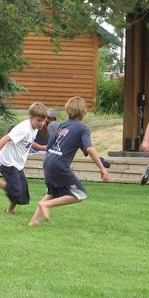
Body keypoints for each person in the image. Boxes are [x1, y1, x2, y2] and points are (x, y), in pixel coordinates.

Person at [28, 96, 109, 226]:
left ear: (67, 110)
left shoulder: (60, 126)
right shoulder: (83, 128)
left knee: (52, 193)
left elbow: (49, 147)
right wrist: (102, 168)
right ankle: (46, 204)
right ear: (84, 112)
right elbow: (89, 149)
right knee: (80, 194)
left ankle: (34, 221)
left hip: (48, 162)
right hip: (60, 165)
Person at [0, 102, 48, 215]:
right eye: (39, 120)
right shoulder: (24, 128)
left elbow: (28, 141)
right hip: (8, 163)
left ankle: (9, 211)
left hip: (18, 164)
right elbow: (5, 138)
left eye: (43, 120)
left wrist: (41, 147)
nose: (41, 123)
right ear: (31, 118)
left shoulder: (34, 128)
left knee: (22, 193)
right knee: (16, 190)